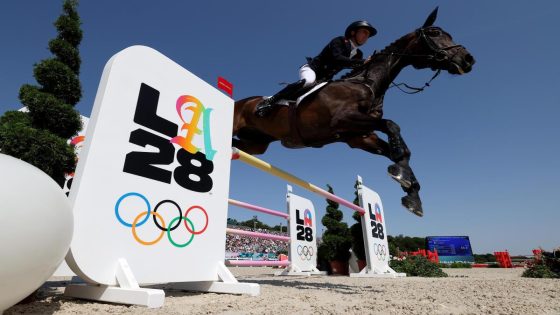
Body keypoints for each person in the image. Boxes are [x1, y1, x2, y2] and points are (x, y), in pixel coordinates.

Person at [255, 20, 377, 117]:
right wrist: (362, 62)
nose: (366, 37)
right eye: (364, 32)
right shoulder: (339, 41)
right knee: (308, 81)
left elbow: (353, 68)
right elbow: (338, 58)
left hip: (324, 79)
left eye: (368, 35)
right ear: (353, 32)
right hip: (312, 69)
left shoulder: (358, 54)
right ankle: (270, 101)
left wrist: (370, 65)